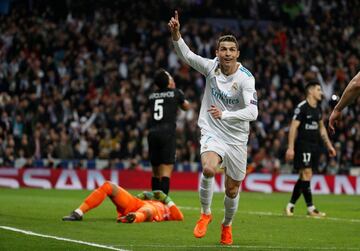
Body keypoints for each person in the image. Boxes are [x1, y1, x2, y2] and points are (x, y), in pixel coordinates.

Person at [168, 11, 258, 245]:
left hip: (237, 138)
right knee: (209, 169)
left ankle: (226, 225)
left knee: (232, 190)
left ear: (237, 54)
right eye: (223, 49)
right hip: (213, 131)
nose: (227, 53)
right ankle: (205, 213)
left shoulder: (246, 79)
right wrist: (176, 33)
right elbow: (186, 55)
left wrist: (226, 114)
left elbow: (253, 112)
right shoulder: (210, 67)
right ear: (217, 52)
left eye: (231, 50)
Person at [285, 80, 336, 217]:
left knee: (304, 176)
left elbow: (322, 128)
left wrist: (329, 146)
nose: (321, 92)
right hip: (303, 145)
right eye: (319, 90)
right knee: (306, 174)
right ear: (310, 91)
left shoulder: (318, 109)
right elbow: (293, 127)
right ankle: (311, 208)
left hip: (315, 146)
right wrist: (290, 148)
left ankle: (290, 206)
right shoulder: (302, 107)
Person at [148, 69, 191, 195]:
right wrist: (175, 90)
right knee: (166, 170)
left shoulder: (151, 96)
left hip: (152, 133)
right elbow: (186, 107)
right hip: (167, 133)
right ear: (168, 81)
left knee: (155, 172)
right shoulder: (176, 93)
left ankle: (154, 204)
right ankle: (162, 207)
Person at [62, 181, 184, 223]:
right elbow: (139, 197)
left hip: (153, 212)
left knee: (147, 212)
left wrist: (166, 199)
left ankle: (133, 218)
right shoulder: (151, 200)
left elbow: (180, 217)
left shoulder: (168, 210)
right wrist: (146, 194)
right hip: (136, 203)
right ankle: (78, 213)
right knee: (108, 186)